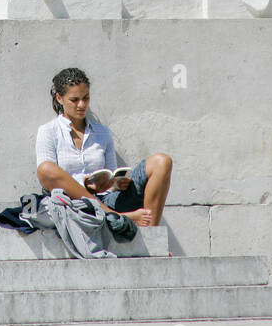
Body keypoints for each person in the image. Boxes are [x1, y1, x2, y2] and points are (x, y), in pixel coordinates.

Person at [34, 66, 172, 226]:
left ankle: (152, 237)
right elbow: (47, 180)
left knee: (162, 161)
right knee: (45, 169)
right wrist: (84, 187)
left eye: (86, 98)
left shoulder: (102, 132)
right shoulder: (48, 131)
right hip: (72, 204)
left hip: (106, 200)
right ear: (59, 98)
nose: (81, 105)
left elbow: (111, 175)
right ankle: (113, 215)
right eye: (74, 100)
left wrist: (114, 184)